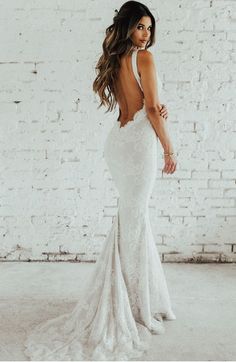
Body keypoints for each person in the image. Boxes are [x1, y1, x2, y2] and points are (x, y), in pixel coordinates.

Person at [24, 1, 177, 360]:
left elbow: (138, 103)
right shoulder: (144, 59)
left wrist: (156, 106)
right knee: (134, 221)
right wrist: (169, 148)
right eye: (140, 27)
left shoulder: (118, 60)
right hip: (138, 145)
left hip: (118, 142)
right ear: (127, 27)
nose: (146, 34)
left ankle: (133, 294)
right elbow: (151, 109)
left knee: (131, 220)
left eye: (149, 28)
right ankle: (135, 307)